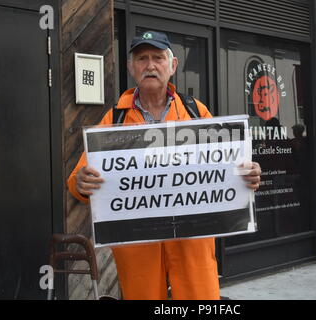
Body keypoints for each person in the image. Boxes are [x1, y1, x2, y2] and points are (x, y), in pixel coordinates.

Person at [67, 31, 262, 300]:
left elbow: (227, 167)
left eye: (158, 58)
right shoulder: (115, 118)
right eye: (142, 58)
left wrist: (247, 175)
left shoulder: (196, 111)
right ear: (131, 67)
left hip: (192, 239)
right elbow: (79, 177)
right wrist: (81, 183)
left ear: (172, 65)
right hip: (137, 242)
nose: (150, 65)